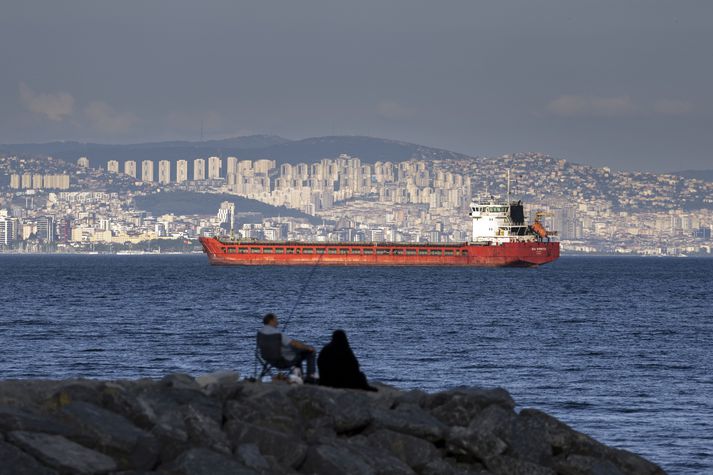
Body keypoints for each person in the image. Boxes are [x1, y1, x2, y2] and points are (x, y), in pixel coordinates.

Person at [258, 313, 318, 383]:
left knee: (296, 354)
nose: (277, 322)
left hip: (268, 359)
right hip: (283, 361)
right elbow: (294, 343)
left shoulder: (260, 333)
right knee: (310, 352)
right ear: (271, 321)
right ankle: (310, 378)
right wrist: (307, 347)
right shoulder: (276, 333)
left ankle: (299, 377)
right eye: (276, 320)